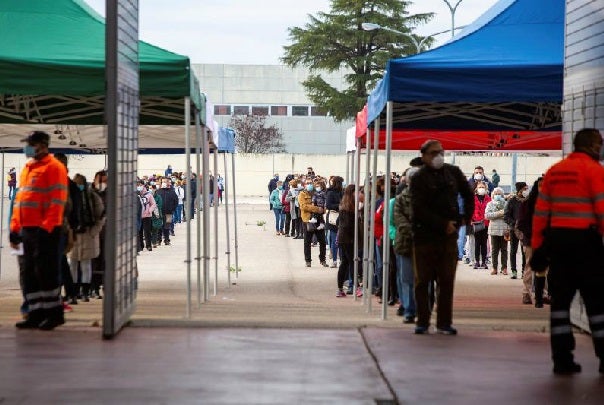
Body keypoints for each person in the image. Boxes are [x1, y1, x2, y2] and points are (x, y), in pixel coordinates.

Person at [531, 128, 604, 375]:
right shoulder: (594, 171)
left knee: (560, 305)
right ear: (593, 145)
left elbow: (540, 215)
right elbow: (602, 211)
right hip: (587, 246)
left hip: (558, 246)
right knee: (596, 304)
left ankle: (562, 359)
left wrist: (538, 249)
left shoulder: (554, 172)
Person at [410, 140, 474, 335]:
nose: (438, 156)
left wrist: (464, 219)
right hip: (424, 237)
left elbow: (468, 194)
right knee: (422, 282)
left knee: (446, 281)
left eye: (440, 152)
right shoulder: (419, 178)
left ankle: (444, 323)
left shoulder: (453, 172)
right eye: (433, 153)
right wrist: (442, 224)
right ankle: (422, 321)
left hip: (448, 237)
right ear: (424, 155)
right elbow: (418, 208)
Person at [10, 131, 68, 330]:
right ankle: (35, 314)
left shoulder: (54, 168)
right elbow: (20, 202)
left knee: (46, 272)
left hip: (46, 231)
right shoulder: (28, 168)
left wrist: (47, 227)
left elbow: (57, 200)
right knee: (30, 274)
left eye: (31, 144)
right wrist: (14, 228)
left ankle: (54, 314)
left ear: (42, 145)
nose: (27, 148)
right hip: (27, 230)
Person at [69, 174, 105, 302]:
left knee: (83, 265)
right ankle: (77, 291)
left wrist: (93, 232)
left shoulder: (91, 197)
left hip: (85, 235)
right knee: (76, 265)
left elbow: (100, 217)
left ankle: (82, 292)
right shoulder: (84, 196)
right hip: (76, 235)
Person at [393, 167, 419, 324]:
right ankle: (409, 310)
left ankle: (423, 308)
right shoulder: (400, 199)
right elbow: (399, 220)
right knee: (407, 278)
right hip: (406, 243)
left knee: (424, 280)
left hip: (424, 245)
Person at [335, 184, 359, 297]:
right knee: (352, 261)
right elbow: (348, 225)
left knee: (345, 262)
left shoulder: (343, 206)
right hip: (348, 238)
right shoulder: (350, 208)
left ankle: (340, 288)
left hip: (342, 238)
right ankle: (356, 286)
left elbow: (338, 222)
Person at [299, 180, 327, 267]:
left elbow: (323, 204)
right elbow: (303, 206)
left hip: (319, 220)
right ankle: (308, 260)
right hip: (307, 220)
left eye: (311, 183)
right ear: (304, 185)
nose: (309, 185)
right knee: (307, 242)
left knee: (322, 242)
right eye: (307, 183)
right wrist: (316, 208)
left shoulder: (318, 193)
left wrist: (323, 209)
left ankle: (322, 259)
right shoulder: (302, 194)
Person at [504, 182, 528, 279]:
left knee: (524, 251)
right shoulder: (512, 201)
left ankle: (524, 271)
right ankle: (514, 271)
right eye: (524, 189)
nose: (526, 191)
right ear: (519, 190)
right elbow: (506, 215)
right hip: (514, 229)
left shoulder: (528, 201)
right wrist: (514, 223)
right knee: (513, 250)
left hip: (525, 230)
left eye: (527, 189)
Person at [485, 187, 508, 276]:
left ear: (502, 195)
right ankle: (494, 268)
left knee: (504, 250)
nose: (497, 195)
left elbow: (507, 215)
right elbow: (487, 215)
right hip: (493, 230)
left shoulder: (506, 204)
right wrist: (499, 214)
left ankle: (504, 268)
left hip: (504, 230)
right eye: (496, 194)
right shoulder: (490, 204)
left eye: (499, 194)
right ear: (493, 195)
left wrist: (499, 215)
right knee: (494, 250)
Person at [471, 181, 491, 269]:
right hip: (476, 223)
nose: (481, 189)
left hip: (486, 223)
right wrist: (472, 219)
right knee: (477, 243)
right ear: (476, 189)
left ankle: (483, 261)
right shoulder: (473, 198)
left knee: (484, 243)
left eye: (483, 187)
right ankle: (476, 262)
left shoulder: (488, 198)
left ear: (486, 189)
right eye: (480, 187)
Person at [325, 176, 344, 267]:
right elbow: (328, 205)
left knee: (341, 240)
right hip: (333, 218)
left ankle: (341, 259)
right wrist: (339, 206)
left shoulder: (343, 192)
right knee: (334, 240)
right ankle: (334, 260)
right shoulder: (330, 193)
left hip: (342, 218)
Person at [156, 178, 178, 244]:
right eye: (163, 182)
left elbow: (176, 201)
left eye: (165, 182)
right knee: (159, 226)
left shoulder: (172, 191)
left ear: (169, 183)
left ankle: (167, 240)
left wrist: (172, 209)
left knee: (167, 226)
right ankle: (158, 240)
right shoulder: (158, 191)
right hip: (159, 212)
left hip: (169, 212)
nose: (164, 183)